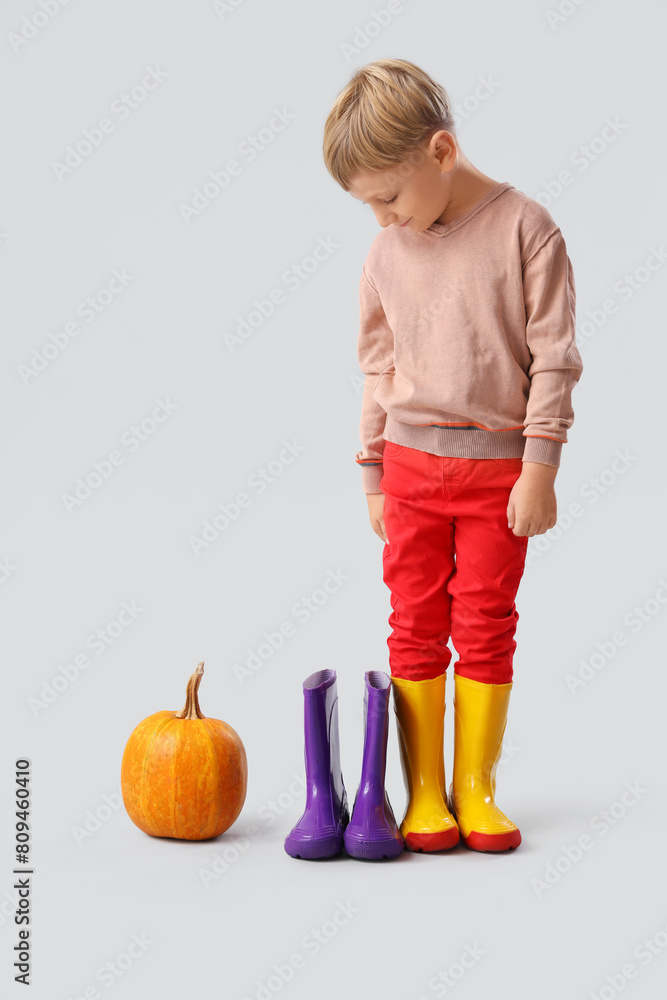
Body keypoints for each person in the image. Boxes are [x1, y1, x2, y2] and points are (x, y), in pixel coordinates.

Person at [322, 58, 584, 853]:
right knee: (413, 623)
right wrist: (371, 470)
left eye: (387, 198)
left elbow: (554, 358)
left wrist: (539, 466)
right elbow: (377, 366)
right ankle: (424, 792)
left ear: (439, 152)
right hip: (408, 468)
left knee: (486, 621)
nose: (381, 221)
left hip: (497, 474)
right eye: (366, 206)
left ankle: (475, 786)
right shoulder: (385, 254)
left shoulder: (526, 230)